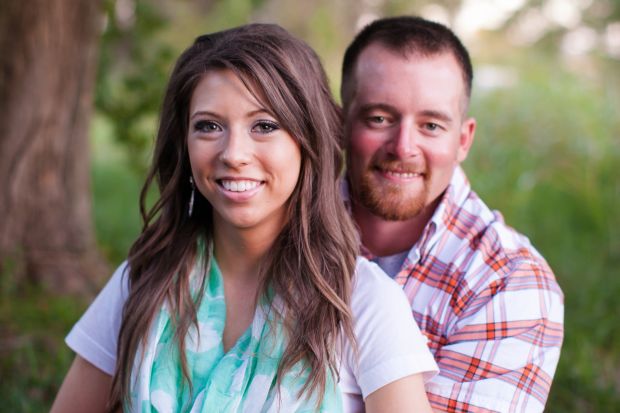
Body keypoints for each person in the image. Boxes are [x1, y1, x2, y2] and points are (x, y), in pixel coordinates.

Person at [51, 24, 438, 413]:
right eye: (209, 126)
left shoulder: (364, 303)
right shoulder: (145, 279)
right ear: (184, 143)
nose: (234, 154)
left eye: (264, 126)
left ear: (308, 140)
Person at [340, 16, 564, 412]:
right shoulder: (279, 226)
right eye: (380, 118)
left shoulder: (507, 282)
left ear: (463, 140)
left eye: (430, 125)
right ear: (339, 122)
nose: (403, 147)